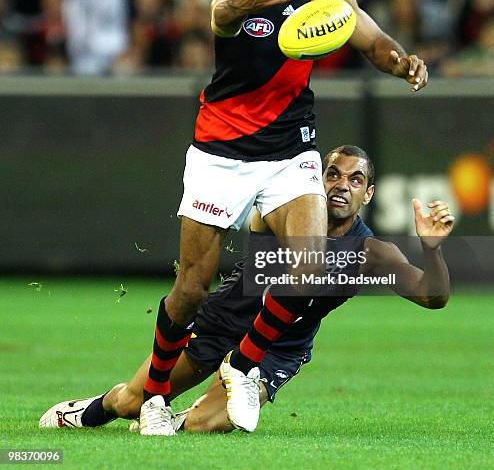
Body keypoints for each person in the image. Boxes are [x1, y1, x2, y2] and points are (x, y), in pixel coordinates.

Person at [129, 0, 429, 436]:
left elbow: (373, 39)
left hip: (291, 148)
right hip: (221, 152)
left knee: (309, 262)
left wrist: (401, 61)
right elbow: (221, 12)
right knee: (193, 286)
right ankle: (150, 396)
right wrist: (238, 6)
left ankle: (241, 366)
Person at [39, 145, 454, 433]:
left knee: (212, 423)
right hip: (225, 321)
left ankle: (177, 418)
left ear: (369, 194)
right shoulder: (281, 213)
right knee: (134, 399)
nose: (341, 185)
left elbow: (433, 297)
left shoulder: (370, 252)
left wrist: (432, 251)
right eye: (332, 174)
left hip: (279, 346)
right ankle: (92, 410)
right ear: (316, 179)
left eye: (355, 179)